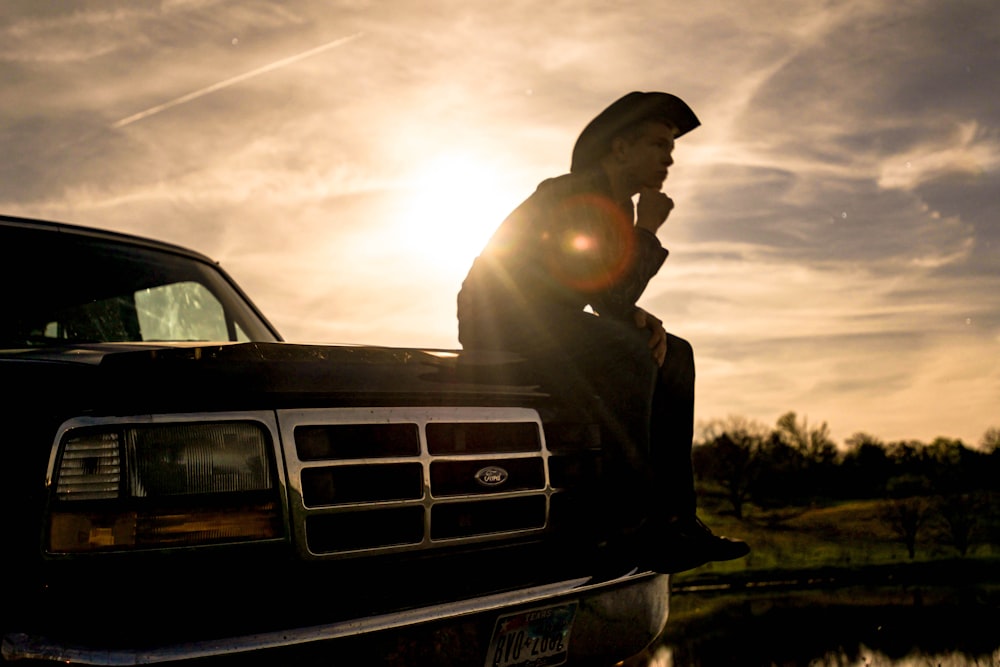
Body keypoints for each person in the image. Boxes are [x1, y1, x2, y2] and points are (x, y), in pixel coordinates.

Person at [456, 91, 749, 573]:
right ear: (620, 149)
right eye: (659, 144)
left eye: (672, 148)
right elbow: (607, 293)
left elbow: (609, 296)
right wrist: (650, 234)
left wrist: (638, 315)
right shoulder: (574, 192)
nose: (669, 158)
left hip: (553, 319)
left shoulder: (617, 207)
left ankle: (676, 522)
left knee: (674, 354)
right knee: (630, 350)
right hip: (500, 318)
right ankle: (624, 528)